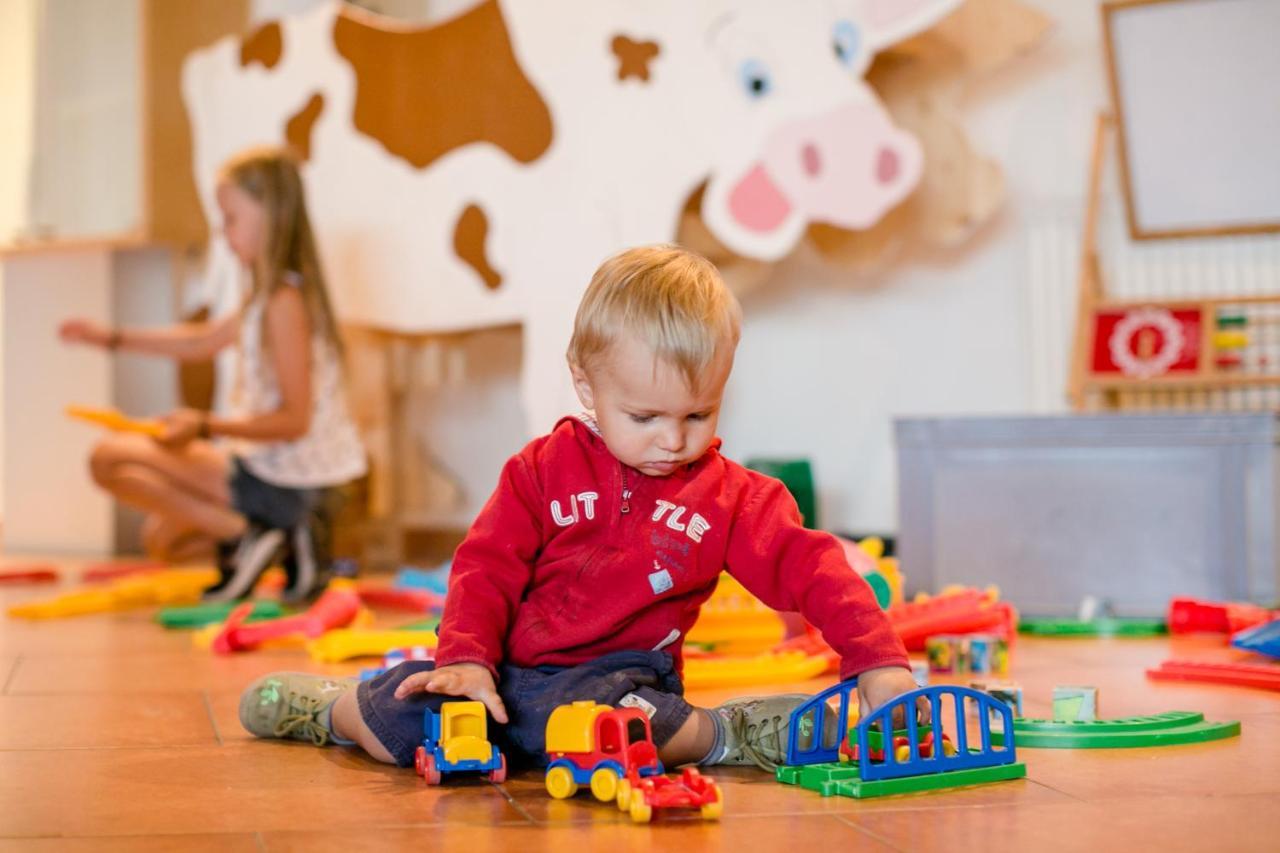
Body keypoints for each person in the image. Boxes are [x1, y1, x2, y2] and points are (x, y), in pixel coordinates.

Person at [239, 244, 916, 770]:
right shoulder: (540, 472)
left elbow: (813, 567)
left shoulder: (730, 498)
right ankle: (332, 712)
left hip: (621, 684)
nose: (673, 438)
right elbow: (485, 567)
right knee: (409, 711)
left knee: (636, 725)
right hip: (504, 675)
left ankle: (725, 734)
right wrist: (468, 659)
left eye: (699, 412)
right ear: (585, 384)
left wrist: (877, 660)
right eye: (644, 414)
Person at [60, 146, 366, 602]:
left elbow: (294, 420)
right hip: (275, 473)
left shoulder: (285, 302)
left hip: (292, 482)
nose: (223, 235)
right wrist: (110, 338)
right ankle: (262, 538)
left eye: (230, 218)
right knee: (163, 540)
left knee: (106, 458)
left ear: (271, 217)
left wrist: (203, 425)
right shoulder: (265, 294)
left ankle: (260, 535)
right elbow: (199, 341)